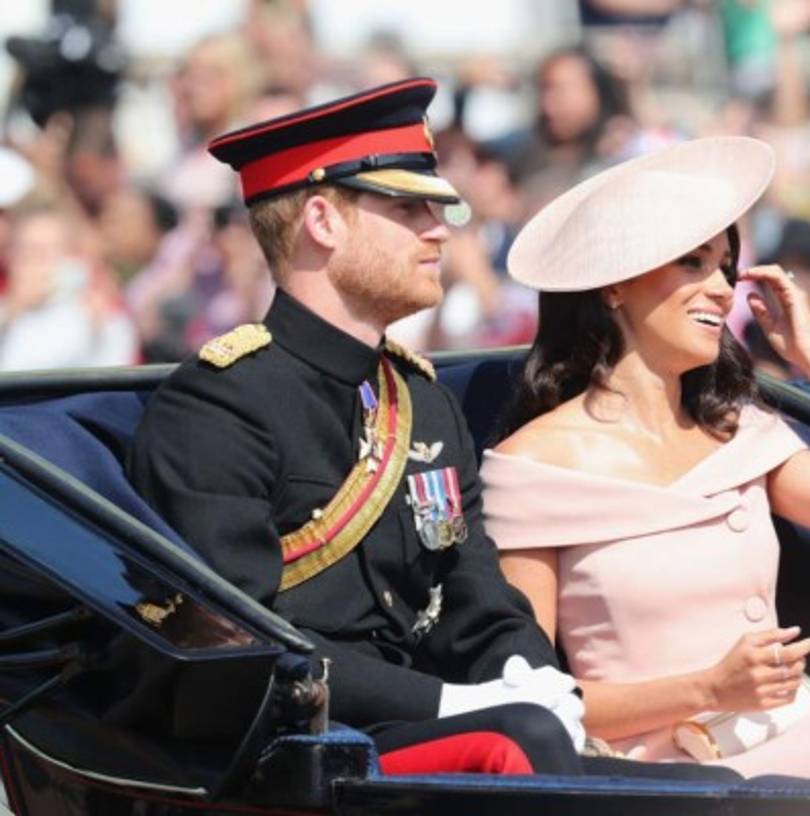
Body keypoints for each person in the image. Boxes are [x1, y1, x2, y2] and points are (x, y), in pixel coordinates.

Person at [126, 79, 590, 776]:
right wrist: (447, 704)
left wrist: (529, 672)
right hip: (295, 752)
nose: (440, 230)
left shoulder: (420, 402)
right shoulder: (218, 407)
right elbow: (239, 643)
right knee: (520, 745)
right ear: (323, 221)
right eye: (408, 208)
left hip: (405, 733)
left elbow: (474, 590)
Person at [481, 137, 810, 777]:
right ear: (615, 287)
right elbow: (529, 704)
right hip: (660, 778)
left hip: (796, 737)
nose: (722, 289)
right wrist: (709, 689)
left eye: (726, 268)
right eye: (692, 264)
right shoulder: (534, 466)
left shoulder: (741, 436)